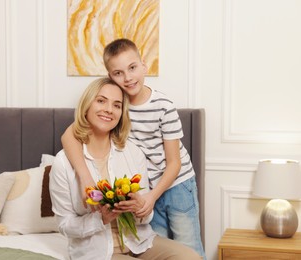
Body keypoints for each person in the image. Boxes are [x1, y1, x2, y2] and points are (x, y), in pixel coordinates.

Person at [61, 39, 206, 259]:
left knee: (189, 245)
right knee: (157, 241)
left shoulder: (163, 106)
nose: (128, 78)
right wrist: (85, 178)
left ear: (143, 65)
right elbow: (68, 135)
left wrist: (152, 196)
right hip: (147, 189)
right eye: (118, 73)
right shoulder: (116, 108)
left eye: (132, 68)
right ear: (110, 76)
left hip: (177, 184)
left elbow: (174, 163)